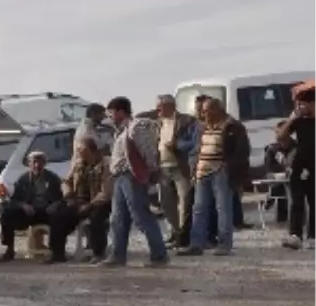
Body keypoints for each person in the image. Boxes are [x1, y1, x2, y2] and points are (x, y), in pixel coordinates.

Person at [102, 96, 169, 267]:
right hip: (119, 177)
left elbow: (147, 150)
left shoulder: (138, 127)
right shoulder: (121, 130)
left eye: (112, 113)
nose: (110, 117)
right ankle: (117, 255)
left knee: (141, 215)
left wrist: (152, 171)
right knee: (117, 218)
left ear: (120, 111)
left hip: (131, 176)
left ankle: (159, 254)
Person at [178, 97, 249, 257]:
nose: (203, 113)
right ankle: (196, 244)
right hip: (202, 171)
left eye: (207, 110)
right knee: (199, 209)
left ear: (217, 109)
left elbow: (242, 151)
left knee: (223, 208)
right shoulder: (202, 127)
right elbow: (198, 148)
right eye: (202, 110)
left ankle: (224, 244)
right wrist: (194, 169)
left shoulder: (232, 126)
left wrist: (230, 167)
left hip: (221, 171)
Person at [51, 137, 112, 263]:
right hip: (79, 201)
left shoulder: (106, 165)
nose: (79, 154)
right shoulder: (79, 164)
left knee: (96, 219)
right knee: (58, 215)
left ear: (93, 151)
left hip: (99, 203)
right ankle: (58, 253)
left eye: (83, 151)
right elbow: (66, 182)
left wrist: (90, 205)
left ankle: (98, 253)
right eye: (78, 152)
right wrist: (68, 196)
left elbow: (106, 193)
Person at [0, 151, 64, 261]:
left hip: (47, 212)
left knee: (60, 216)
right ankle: (9, 249)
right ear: (29, 164)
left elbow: (61, 199)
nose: (37, 165)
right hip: (29, 212)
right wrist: (23, 205)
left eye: (40, 162)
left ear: (45, 163)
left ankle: (56, 252)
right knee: (7, 213)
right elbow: (14, 200)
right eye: (34, 162)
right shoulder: (23, 179)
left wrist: (54, 205)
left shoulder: (52, 178)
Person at [155, 94, 199, 248]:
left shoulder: (187, 121)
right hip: (162, 167)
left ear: (170, 105)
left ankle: (183, 236)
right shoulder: (158, 123)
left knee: (184, 202)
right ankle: (174, 232)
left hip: (180, 166)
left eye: (160, 106)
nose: (157, 109)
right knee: (166, 204)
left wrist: (177, 145)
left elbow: (194, 143)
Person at [276, 87, 316, 249]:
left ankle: (313, 236)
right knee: (296, 201)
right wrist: (291, 119)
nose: (299, 108)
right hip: (299, 165)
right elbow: (280, 136)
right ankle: (295, 235)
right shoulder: (299, 121)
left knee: (315, 202)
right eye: (298, 105)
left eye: (302, 104)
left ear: (313, 104)